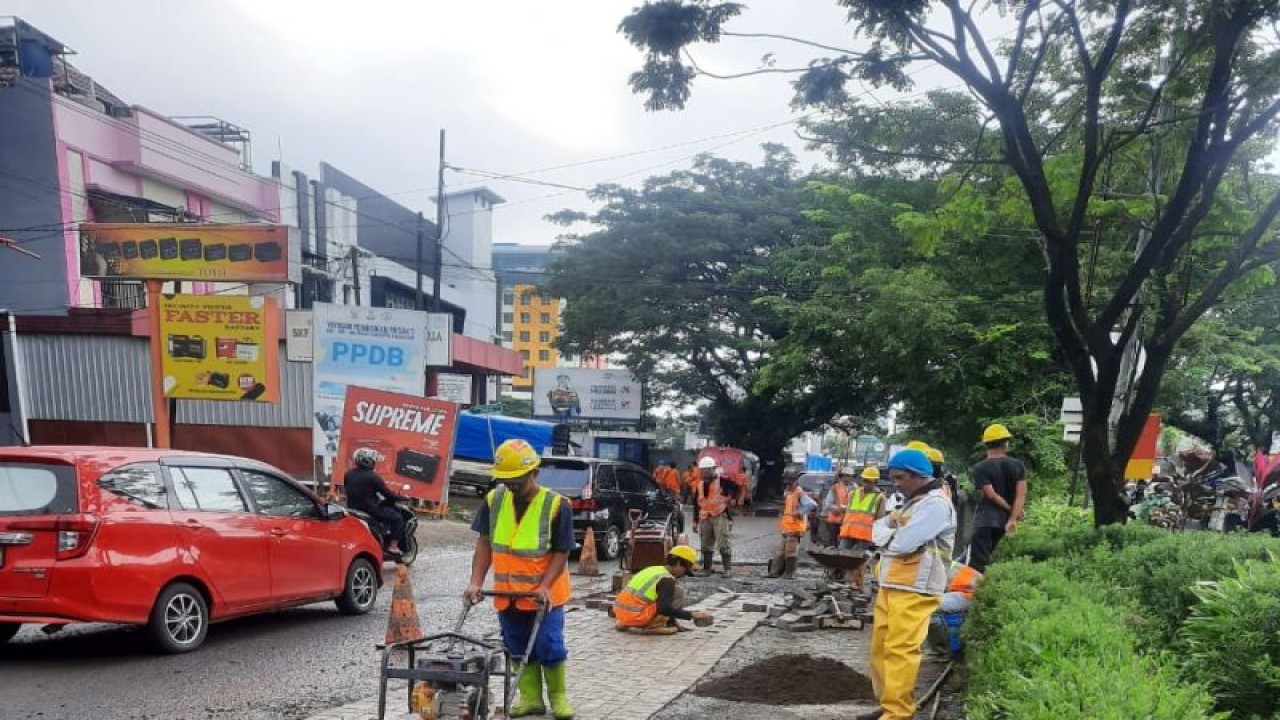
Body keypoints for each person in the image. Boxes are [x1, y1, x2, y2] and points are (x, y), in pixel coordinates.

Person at [464, 439, 575, 720]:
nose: (512, 485)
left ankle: (558, 697)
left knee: (549, 645)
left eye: (518, 480)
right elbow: (485, 543)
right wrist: (475, 582)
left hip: (545, 595)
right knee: (515, 645)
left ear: (534, 473)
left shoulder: (556, 505)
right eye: (506, 480)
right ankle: (530, 698)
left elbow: (562, 551)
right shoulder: (494, 500)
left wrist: (545, 586)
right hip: (508, 594)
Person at [861, 448, 956, 720]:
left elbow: (903, 543)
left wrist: (890, 535)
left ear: (919, 475)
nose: (896, 484)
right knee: (880, 649)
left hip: (917, 588)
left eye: (901, 478)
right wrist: (892, 534)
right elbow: (877, 529)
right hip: (893, 584)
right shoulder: (913, 502)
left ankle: (898, 713)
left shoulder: (935, 504)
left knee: (900, 650)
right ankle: (888, 705)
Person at [613, 545, 713, 634]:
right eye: (685, 570)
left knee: (664, 596)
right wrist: (692, 615)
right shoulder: (667, 579)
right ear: (678, 563)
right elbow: (664, 608)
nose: (684, 575)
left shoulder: (653, 569)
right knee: (679, 591)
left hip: (621, 613)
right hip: (637, 616)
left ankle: (625, 623)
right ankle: (654, 626)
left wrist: (675, 624)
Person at [967, 424, 1027, 573]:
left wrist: (1009, 510)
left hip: (985, 522)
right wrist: (1013, 517)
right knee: (996, 562)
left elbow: (991, 494)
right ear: (1005, 443)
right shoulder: (1018, 465)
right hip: (1004, 522)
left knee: (977, 565)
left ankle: (973, 594)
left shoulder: (980, 467)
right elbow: (1021, 494)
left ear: (986, 444)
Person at [343, 447, 412, 557]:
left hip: (353, 508)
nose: (374, 462)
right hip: (370, 509)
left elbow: (355, 490)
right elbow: (387, 494)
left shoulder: (348, 474)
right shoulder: (373, 476)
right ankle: (393, 547)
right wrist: (403, 497)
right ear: (368, 461)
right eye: (373, 460)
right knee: (397, 518)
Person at [839, 466, 885, 593]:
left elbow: (880, 520)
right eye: (865, 480)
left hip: (864, 534)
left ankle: (856, 583)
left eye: (870, 481)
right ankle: (844, 580)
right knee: (843, 556)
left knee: (858, 559)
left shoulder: (880, 497)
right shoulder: (853, 493)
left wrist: (876, 538)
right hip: (848, 531)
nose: (867, 484)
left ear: (876, 482)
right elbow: (848, 511)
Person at [693, 457, 737, 575]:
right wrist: (695, 521)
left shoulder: (723, 481)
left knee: (723, 543)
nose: (705, 473)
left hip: (720, 515)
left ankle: (727, 570)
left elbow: (737, 489)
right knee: (705, 544)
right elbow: (696, 504)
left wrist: (732, 499)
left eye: (707, 470)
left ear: (713, 469)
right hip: (705, 517)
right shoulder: (700, 485)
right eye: (702, 470)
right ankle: (707, 568)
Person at [768, 475, 809, 578]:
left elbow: (811, 505)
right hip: (787, 527)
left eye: (789, 484)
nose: (787, 486)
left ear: (795, 483)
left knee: (791, 551)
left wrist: (800, 513)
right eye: (786, 484)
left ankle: (789, 573)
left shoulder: (799, 493)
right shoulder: (789, 493)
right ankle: (775, 572)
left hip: (795, 528)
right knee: (781, 550)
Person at [822, 468, 853, 547]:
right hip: (834, 521)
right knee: (833, 544)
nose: (847, 478)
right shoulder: (835, 488)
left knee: (845, 544)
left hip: (848, 521)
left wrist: (845, 508)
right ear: (841, 477)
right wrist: (837, 508)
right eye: (846, 476)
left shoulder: (856, 489)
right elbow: (828, 504)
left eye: (849, 476)